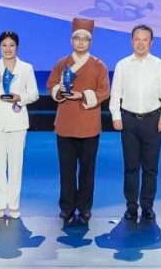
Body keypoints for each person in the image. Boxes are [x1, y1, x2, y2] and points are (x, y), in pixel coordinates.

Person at [48, 17, 110, 225]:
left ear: (90, 42)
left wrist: (82, 95)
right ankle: (66, 206)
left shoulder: (99, 65)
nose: (81, 42)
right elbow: (51, 85)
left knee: (87, 169)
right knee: (66, 169)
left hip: (88, 124)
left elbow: (104, 91)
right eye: (77, 38)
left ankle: (84, 207)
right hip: (65, 123)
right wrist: (60, 91)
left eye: (85, 39)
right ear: (71, 41)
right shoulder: (61, 63)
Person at [110, 24, 161, 221]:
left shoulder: (160, 65)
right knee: (131, 166)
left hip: (153, 120)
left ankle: (147, 205)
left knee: (150, 167)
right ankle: (131, 206)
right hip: (128, 120)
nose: (141, 43)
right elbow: (116, 92)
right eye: (137, 39)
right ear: (132, 41)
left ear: (151, 42)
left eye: (145, 39)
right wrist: (116, 115)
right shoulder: (122, 65)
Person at [0, 31, 38, 219]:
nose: (8, 49)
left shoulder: (26, 68)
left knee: (15, 165)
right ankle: (0, 204)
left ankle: (13, 204)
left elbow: (34, 94)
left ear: (17, 47)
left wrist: (20, 97)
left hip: (17, 121)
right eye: (4, 45)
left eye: (11, 45)